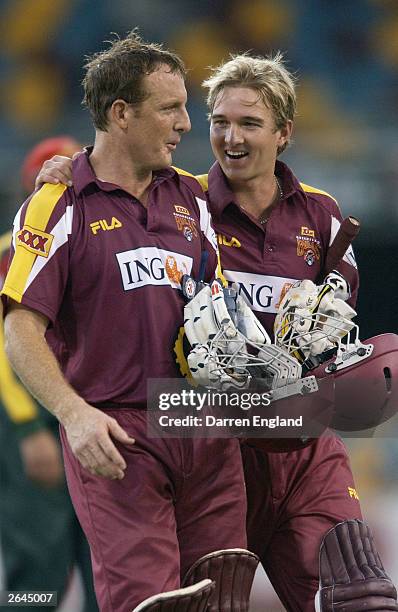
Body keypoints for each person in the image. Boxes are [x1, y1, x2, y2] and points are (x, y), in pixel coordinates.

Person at [37, 51, 398, 611]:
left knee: (359, 595)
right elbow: (109, 172)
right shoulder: (183, 200)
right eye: (218, 122)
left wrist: (352, 387)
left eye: (249, 123)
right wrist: (62, 171)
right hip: (212, 437)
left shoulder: (324, 219)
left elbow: (336, 344)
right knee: (197, 600)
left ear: (284, 133)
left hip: (300, 446)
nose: (230, 137)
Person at [0, 33, 258, 612]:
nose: (187, 124)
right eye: (170, 108)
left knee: (223, 601)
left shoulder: (193, 198)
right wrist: (70, 415)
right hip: (116, 437)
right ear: (120, 113)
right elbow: (19, 330)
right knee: (142, 601)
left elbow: (220, 291)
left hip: (205, 428)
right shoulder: (56, 206)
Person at [0, 136, 98, 612]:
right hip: (34, 422)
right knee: (40, 570)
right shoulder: (9, 249)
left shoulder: (95, 242)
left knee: (106, 566)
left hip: (86, 415)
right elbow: (5, 345)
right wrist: (24, 428)